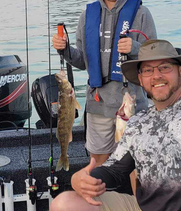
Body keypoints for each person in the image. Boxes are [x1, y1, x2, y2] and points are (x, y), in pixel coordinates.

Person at [50, 39, 181, 211]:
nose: (156, 75)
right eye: (148, 70)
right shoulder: (138, 122)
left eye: (165, 67)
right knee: (64, 204)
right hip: (142, 207)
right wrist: (83, 179)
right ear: (140, 79)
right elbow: (115, 170)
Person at [52, 0, 157, 165]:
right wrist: (65, 50)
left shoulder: (142, 14)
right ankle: (103, 198)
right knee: (98, 161)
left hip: (131, 104)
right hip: (98, 104)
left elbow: (155, 56)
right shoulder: (87, 16)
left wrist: (135, 48)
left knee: (135, 162)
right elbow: (82, 61)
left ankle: (132, 198)